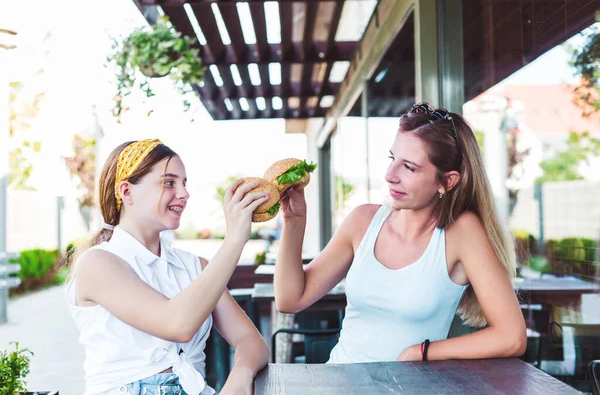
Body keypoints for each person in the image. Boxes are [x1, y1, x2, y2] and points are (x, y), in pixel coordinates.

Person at [274, 103, 527, 363]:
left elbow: (512, 337)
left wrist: (422, 352)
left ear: (447, 181)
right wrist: (294, 222)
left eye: (410, 167)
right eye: (392, 159)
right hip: (340, 381)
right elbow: (290, 300)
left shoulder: (461, 232)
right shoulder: (362, 221)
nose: (389, 175)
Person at [66, 139, 270, 395]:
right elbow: (178, 325)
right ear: (127, 192)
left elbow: (252, 341)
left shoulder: (195, 267)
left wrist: (240, 377)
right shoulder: (97, 264)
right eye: (169, 182)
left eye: (184, 183)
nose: (184, 194)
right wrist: (234, 241)